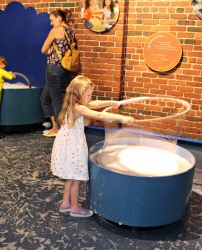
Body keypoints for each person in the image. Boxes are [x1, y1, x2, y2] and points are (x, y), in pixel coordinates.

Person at [51, 75, 134, 217]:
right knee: (76, 179)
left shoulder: (74, 104)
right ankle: (75, 208)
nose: (90, 98)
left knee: (70, 178)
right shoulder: (79, 108)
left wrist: (114, 102)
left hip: (66, 145)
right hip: (73, 147)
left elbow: (95, 104)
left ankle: (65, 204)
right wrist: (122, 118)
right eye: (88, 95)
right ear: (79, 94)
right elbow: (99, 115)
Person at [41, 9, 75, 137]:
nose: (51, 23)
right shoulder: (71, 31)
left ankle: (58, 130)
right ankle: (55, 126)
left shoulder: (55, 30)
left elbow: (43, 49)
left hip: (53, 68)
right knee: (44, 98)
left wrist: (48, 51)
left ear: (59, 19)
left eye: (52, 20)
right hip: (65, 69)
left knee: (56, 100)